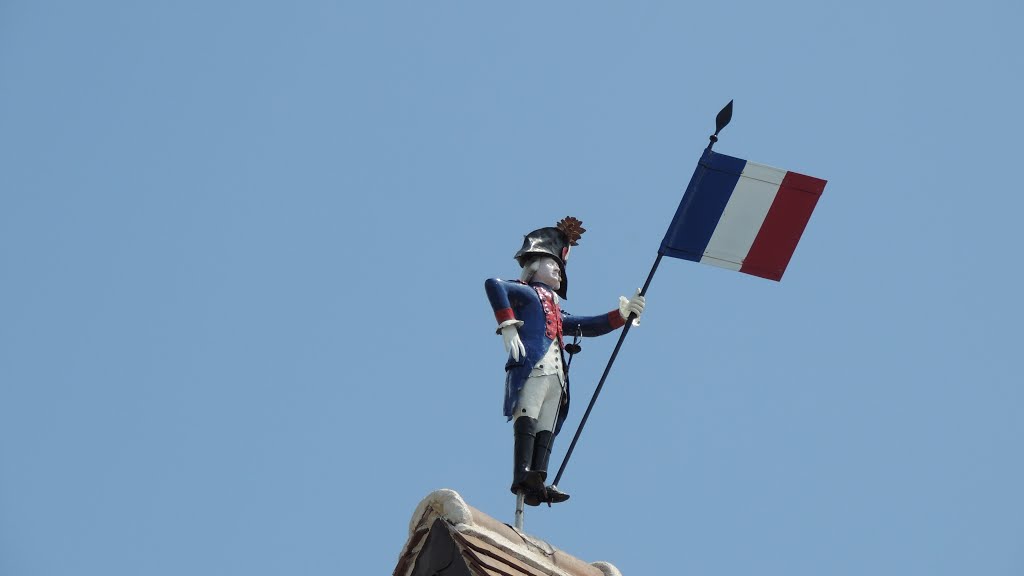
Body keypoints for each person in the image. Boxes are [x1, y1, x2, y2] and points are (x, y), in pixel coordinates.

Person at [484, 217, 645, 505]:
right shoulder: (529, 294)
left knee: (548, 423)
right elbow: (495, 285)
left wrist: (621, 315)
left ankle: (539, 478)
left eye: (560, 268)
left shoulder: (558, 310)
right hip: (533, 364)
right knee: (528, 417)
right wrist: (508, 324)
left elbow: (590, 325)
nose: (559, 272)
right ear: (534, 267)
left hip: (557, 375)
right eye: (553, 266)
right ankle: (521, 473)